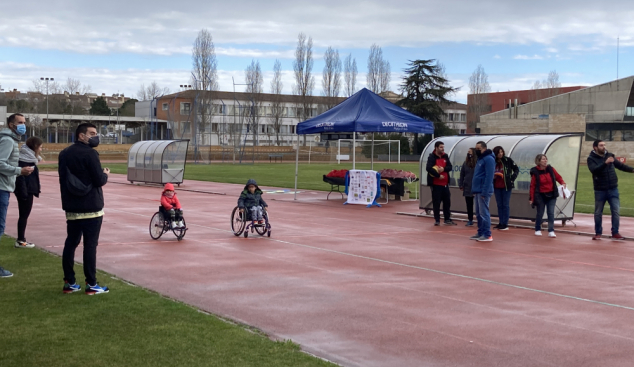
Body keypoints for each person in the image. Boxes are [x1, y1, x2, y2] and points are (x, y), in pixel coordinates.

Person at [58, 123, 110, 294]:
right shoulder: (90, 153)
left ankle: (69, 282)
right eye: (92, 133)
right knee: (90, 245)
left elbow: (63, 180)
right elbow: (99, 180)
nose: (96, 136)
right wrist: (105, 174)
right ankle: (91, 284)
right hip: (91, 206)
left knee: (70, 243)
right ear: (81, 135)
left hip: (72, 206)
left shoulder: (64, 154)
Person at [0, 113, 33, 278]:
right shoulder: (7, 140)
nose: (23, 125)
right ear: (11, 125)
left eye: (24, 122)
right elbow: (0, 163)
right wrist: (19, 171)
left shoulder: (11, 140)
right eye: (20, 122)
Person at [587, 139, 634, 240]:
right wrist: (605, 163)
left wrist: (632, 170)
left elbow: (620, 166)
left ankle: (615, 232)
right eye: (601, 145)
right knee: (598, 212)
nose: (603, 147)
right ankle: (598, 232)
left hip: (613, 188)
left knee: (616, 211)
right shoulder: (591, 158)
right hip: (600, 189)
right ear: (595, 147)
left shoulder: (610, 155)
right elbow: (594, 170)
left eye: (604, 145)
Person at [14, 136, 43, 249]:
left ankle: (21, 239)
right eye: (40, 147)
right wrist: (24, 193)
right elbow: (20, 178)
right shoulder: (25, 161)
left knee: (24, 215)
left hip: (28, 190)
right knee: (24, 215)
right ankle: (21, 240)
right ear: (35, 147)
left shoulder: (29, 159)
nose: (41, 149)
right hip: (25, 191)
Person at [529, 154, 566, 238]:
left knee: (551, 212)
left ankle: (551, 230)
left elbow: (558, 177)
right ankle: (538, 229)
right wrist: (531, 198)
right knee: (540, 213)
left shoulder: (551, 169)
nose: (545, 161)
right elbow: (532, 186)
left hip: (551, 194)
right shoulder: (535, 172)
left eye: (546, 159)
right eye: (543, 159)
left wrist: (562, 183)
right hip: (540, 195)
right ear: (538, 161)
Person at [425, 141, 456, 226]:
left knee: (447, 202)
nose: (443, 149)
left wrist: (444, 169)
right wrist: (438, 175)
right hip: (436, 184)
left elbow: (450, 167)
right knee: (436, 202)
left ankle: (447, 219)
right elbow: (428, 168)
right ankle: (437, 219)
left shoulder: (445, 156)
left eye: (443, 147)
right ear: (436, 148)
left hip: (445, 184)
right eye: (441, 147)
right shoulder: (432, 157)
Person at [471, 141, 495, 242]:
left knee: (484, 213)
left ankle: (487, 234)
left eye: (478, 149)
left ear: (484, 148)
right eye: (476, 149)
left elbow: (489, 176)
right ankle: (481, 232)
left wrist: (485, 191)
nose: (476, 151)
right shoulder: (480, 159)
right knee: (478, 213)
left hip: (483, 190)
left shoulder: (489, 159)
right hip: (478, 190)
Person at [492, 146, 519, 231]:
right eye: (498, 152)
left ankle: (505, 223)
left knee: (505, 205)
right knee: (499, 205)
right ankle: (500, 222)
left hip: (506, 186)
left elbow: (516, 169)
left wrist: (512, 178)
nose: (500, 154)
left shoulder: (508, 160)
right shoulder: (493, 161)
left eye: (501, 152)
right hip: (496, 186)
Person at [458, 148, 476, 227]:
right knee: (469, 204)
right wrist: (461, 184)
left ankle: (481, 219)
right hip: (467, 186)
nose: (469, 153)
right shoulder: (465, 163)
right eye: (468, 152)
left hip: (476, 187)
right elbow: (462, 174)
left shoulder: (478, 163)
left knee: (479, 205)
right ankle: (470, 219)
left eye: (470, 152)